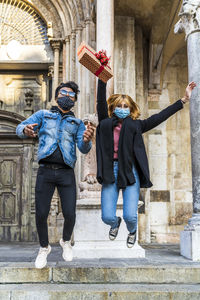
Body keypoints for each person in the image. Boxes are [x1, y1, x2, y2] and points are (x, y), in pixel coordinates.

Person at [96, 78, 196, 248]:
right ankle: (115, 224)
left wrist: (183, 100)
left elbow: (159, 117)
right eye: (118, 106)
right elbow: (100, 102)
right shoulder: (105, 124)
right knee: (107, 216)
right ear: (113, 108)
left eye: (125, 106)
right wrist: (102, 79)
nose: (122, 109)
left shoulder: (136, 125)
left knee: (130, 216)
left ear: (130, 108)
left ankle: (132, 231)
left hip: (129, 171)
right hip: (109, 171)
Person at [16, 81, 94, 268]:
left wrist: (86, 139)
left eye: (71, 95)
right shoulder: (43, 115)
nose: (67, 97)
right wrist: (25, 131)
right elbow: (20, 127)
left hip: (66, 172)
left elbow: (83, 148)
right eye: (64, 93)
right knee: (41, 213)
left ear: (75, 100)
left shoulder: (77, 122)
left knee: (69, 213)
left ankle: (65, 241)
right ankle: (44, 248)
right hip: (45, 172)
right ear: (57, 95)